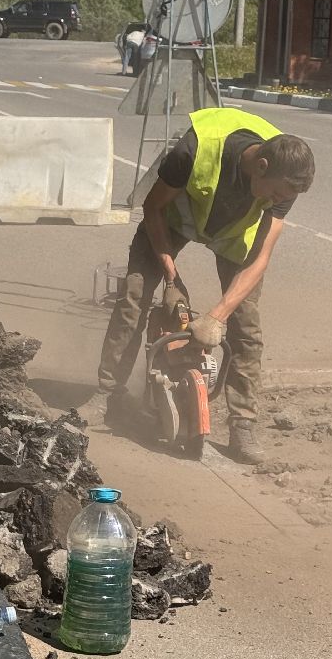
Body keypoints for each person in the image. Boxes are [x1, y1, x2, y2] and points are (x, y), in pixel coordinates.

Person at [82, 108, 314, 464]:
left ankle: (243, 424)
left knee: (246, 326)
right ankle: (108, 393)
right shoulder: (195, 149)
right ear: (261, 166)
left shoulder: (288, 178)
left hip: (234, 234)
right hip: (173, 219)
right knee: (134, 297)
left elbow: (260, 259)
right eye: (274, 194)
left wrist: (217, 316)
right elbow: (153, 207)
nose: (275, 201)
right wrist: (171, 276)